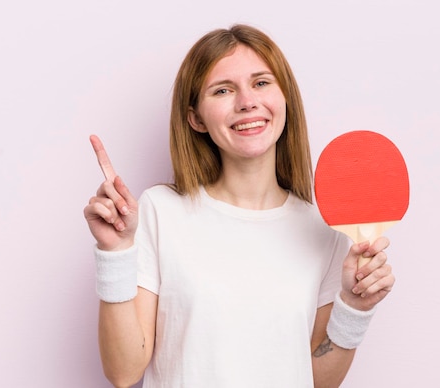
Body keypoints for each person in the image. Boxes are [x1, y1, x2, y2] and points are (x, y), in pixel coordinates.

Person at [84, 24, 395, 388]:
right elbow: (123, 372)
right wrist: (116, 253)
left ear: (285, 100)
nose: (247, 101)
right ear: (196, 118)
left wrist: (355, 308)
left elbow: (317, 380)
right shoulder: (160, 212)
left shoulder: (322, 228)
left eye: (262, 83)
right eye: (223, 90)